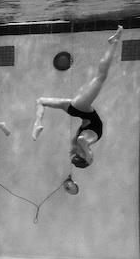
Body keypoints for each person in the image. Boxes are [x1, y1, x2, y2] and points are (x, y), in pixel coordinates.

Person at [32, 25, 123, 168]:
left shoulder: (88, 141)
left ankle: (114, 42)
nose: (80, 152)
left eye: (80, 155)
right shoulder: (81, 143)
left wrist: (88, 154)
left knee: (101, 76)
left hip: (81, 108)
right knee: (41, 101)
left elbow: (81, 139)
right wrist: (78, 150)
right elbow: (77, 140)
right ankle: (37, 124)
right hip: (76, 110)